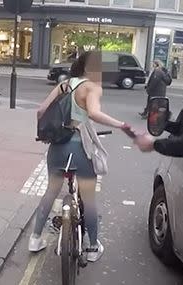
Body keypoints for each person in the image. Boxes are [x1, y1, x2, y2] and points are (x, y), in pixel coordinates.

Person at [30, 51, 129, 262]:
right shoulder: (92, 87)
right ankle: (93, 247)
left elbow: (40, 111)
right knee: (89, 198)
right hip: (79, 150)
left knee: (51, 191)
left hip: (57, 149)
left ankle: (35, 238)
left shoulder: (64, 85)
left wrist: (47, 133)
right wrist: (120, 124)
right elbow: (93, 113)